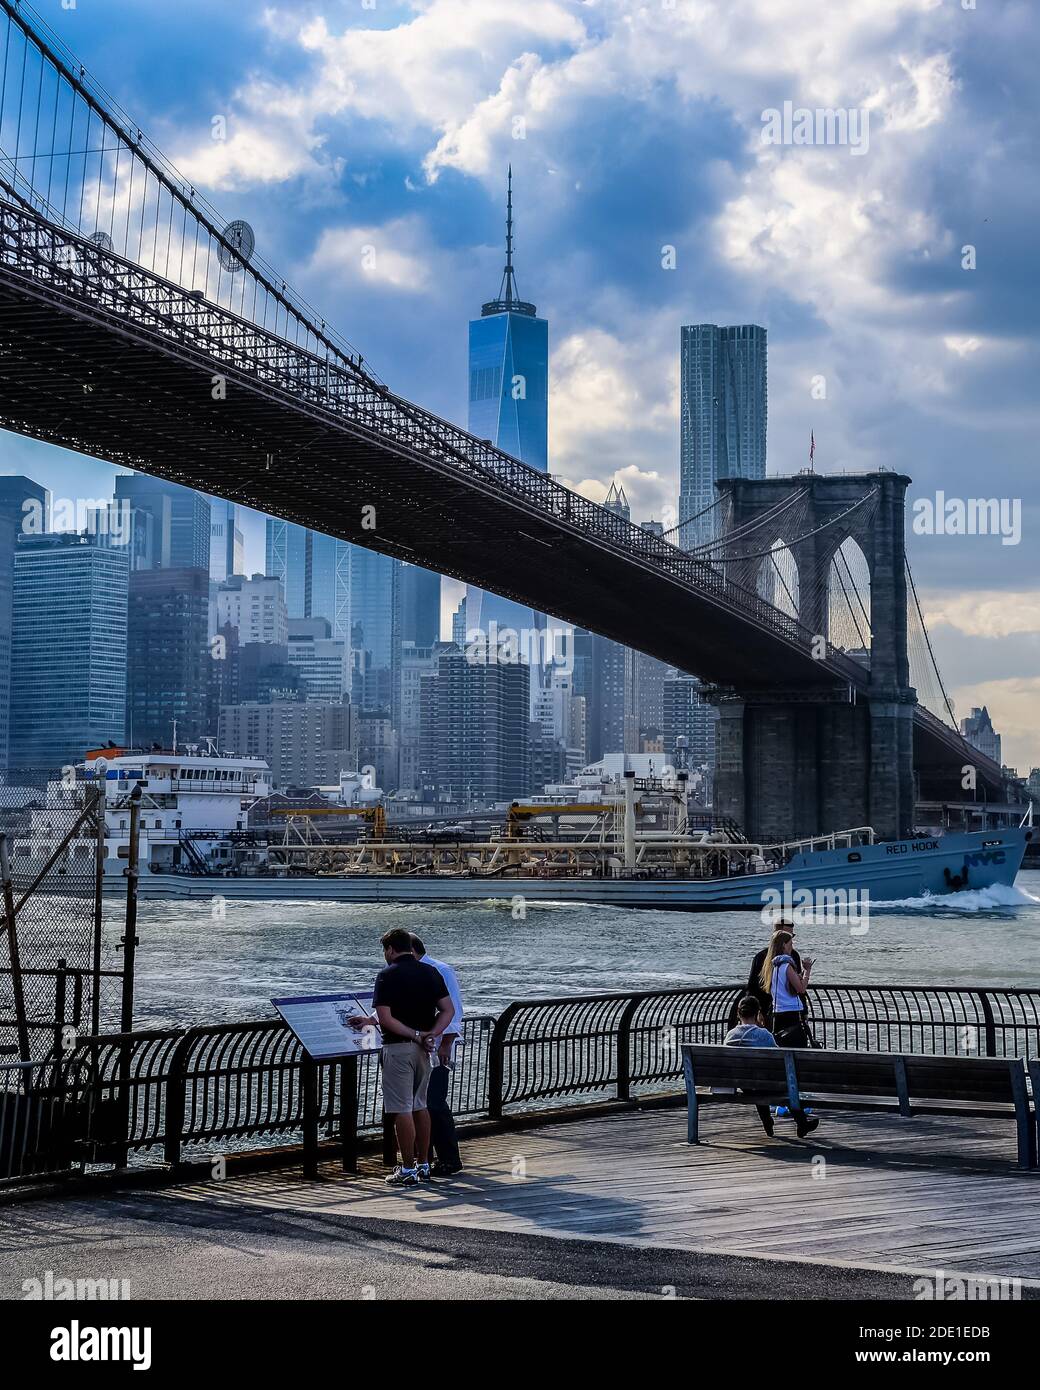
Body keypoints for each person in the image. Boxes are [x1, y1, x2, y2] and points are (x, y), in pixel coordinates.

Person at [351, 928, 454, 1188]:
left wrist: (416, 1034)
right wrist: (431, 1034)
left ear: (390, 949)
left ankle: (407, 1168)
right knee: (421, 1105)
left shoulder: (387, 975)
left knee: (401, 1109)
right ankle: (424, 1164)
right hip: (424, 1051)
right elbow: (448, 1010)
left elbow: (386, 1018)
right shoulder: (430, 972)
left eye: (385, 951)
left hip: (398, 1048)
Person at [724, 995, 820, 1139]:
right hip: (764, 1084)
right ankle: (802, 1123)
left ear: (738, 1014)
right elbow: (779, 1060)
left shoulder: (731, 1035)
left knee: (756, 1083)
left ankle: (767, 1121)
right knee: (785, 1086)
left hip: (743, 1084)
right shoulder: (764, 1035)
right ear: (757, 1013)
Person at [410, 933, 464, 1176]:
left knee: (434, 1102)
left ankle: (449, 1158)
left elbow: (454, 1010)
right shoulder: (411, 970)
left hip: (436, 1047)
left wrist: (446, 1044)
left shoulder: (441, 970)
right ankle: (425, 1156)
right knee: (419, 1103)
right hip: (415, 1047)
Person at [759, 928, 814, 1048]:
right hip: (791, 1013)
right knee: (798, 1048)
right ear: (784, 945)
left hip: (777, 1013)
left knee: (781, 1047)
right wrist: (807, 970)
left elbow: (784, 983)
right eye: (790, 944)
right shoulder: (786, 966)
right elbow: (801, 989)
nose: (792, 947)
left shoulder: (773, 966)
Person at [745, 919, 803, 1026]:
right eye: (788, 935)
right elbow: (752, 987)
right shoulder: (761, 957)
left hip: (781, 1009)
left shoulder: (794, 955)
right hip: (772, 1008)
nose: (791, 940)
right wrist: (758, 1011)